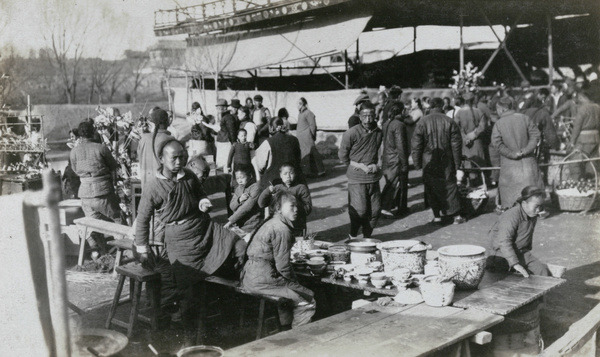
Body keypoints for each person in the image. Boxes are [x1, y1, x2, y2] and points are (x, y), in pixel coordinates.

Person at [134, 139, 246, 332]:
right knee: (190, 289)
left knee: (240, 246)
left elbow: (201, 192)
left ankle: (233, 304)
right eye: (174, 158)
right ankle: (190, 335)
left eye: (182, 157)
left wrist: (202, 201)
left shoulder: (190, 176)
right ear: (161, 159)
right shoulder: (153, 187)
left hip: (204, 229)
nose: (179, 162)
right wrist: (142, 249)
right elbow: (143, 219)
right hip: (180, 238)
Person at [241, 191, 316, 329]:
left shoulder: (270, 222)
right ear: (278, 209)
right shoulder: (281, 229)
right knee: (308, 300)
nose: (296, 209)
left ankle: (285, 330)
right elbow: (283, 266)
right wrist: (296, 283)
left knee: (292, 295)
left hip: (250, 276)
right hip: (263, 280)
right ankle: (302, 338)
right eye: (292, 206)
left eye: (297, 206)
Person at [70, 120, 122, 255]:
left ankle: (96, 250)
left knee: (92, 223)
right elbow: (113, 166)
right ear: (93, 132)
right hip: (103, 191)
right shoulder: (101, 148)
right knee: (117, 218)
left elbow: (75, 170)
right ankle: (122, 250)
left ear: (79, 135)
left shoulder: (74, 151)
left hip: (85, 193)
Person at [412, 97, 465, 224]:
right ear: (442, 106)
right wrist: (457, 163)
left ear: (430, 106)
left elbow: (416, 145)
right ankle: (456, 216)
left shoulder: (422, 122)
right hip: (446, 159)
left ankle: (437, 216)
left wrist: (417, 163)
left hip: (428, 160)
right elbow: (456, 145)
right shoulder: (450, 121)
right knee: (450, 185)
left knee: (431, 187)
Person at [339, 101, 383, 238]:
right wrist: (359, 166)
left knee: (375, 211)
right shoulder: (351, 133)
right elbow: (343, 156)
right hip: (357, 178)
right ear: (359, 116)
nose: (368, 119)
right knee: (360, 211)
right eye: (365, 116)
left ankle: (367, 237)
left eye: (371, 116)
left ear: (375, 116)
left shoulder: (379, 132)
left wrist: (377, 165)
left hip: (373, 177)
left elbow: (381, 152)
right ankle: (352, 235)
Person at [492, 97, 544, 210]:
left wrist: (511, 154)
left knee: (511, 193)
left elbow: (497, 143)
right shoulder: (525, 118)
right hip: (528, 161)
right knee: (531, 187)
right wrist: (525, 150)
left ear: (500, 109)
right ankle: (536, 209)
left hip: (509, 164)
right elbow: (536, 136)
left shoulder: (499, 124)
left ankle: (512, 211)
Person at [487, 186, 550, 277]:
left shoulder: (532, 215)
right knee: (507, 282)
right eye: (536, 206)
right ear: (524, 204)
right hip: (501, 255)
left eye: (541, 207)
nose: (538, 210)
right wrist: (515, 264)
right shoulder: (511, 216)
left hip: (521, 253)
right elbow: (504, 241)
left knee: (542, 271)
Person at [258, 163, 312, 236]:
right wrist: (268, 191)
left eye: (291, 173)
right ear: (281, 175)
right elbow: (261, 203)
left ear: (295, 174)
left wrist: (293, 201)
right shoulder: (277, 188)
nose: (288, 176)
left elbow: (307, 209)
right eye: (285, 174)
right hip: (278, 226)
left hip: (296, 225)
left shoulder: (301, 188)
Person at [253, 117, 306, 190]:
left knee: (261, 198)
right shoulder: (294, 140)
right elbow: (298, 159)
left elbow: (260, 166)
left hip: (274, 183)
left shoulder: (268, 143)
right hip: (294, 182)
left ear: (271, 128)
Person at [523, 88, 560, 184]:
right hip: (534, 144)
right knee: (534, 165)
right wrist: (556, 145)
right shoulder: (543, 113)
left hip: (521, 142)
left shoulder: (523, 112)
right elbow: (550, 133)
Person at [380, 106, 410, 218]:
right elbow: (401, 145)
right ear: (401, 111)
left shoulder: (386, 123)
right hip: (395, 159)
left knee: (390, 182)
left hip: (387, 157)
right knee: (393, 184)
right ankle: (384, 207)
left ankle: (390, 206)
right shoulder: (399, 125)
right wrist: (405, 163)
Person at [138, 109, 176, 189]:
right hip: (163, 189)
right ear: (167, 122)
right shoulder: (169, 140)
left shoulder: (143, 139)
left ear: (152, 124)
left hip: (146, 187)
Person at [454, 92, 487, 185]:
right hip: (476, 142)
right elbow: (482, 127)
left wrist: (465, 137)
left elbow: (456, 128)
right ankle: (478, 184)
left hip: (465, 143)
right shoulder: (479, 111)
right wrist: (473, 135)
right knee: (478, 163)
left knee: (466, 163)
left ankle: (468, 183)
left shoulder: (459, 113)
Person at [567, 90, 600, 180]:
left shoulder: (583, 109)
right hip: (596, 138)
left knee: (575, 162)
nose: (578, 100)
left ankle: (577, 182)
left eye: (579, 98)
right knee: (591, 161)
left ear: (582, 97)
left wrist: (572, 142)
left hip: (583, 140)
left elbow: (577, 126)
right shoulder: (597, 107)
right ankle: (592, 183)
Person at [224, 165, 262, 232]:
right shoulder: (238, 189)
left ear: (250, 176)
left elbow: (246, 208)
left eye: (242, 178)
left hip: (252, 223)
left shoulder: (255, 188)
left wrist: (231, 221)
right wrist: (239, 200)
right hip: (240, 223)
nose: (239, 181)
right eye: (237, 178)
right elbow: (232, 206)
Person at [297, 97, 326, 178]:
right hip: (301, 139)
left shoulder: (308, 113)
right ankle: (308, 171)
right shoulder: (300, 114)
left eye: (300, 103)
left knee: (313, 152)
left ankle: (321, 170)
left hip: (308, 137)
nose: (298, 106)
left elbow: (313, 126)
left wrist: (313, 135)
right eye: (297, 104)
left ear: (305, 104)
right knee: (305, 154)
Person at [214, 99, 239, 170]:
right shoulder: (223, 116)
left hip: (226, 142)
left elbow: (232, 130)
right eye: (217, 108)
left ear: (225, 108)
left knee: (225, 164)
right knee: (222, 165)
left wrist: (233, 142)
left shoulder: (228, 117)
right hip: (223, 142)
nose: (218, 109)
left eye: (220, 107)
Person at [62, 129, 81, 199]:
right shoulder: (74, 143)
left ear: (77, 136)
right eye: (71, 137)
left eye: (73, 136)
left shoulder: (79, 143)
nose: (71, 138)